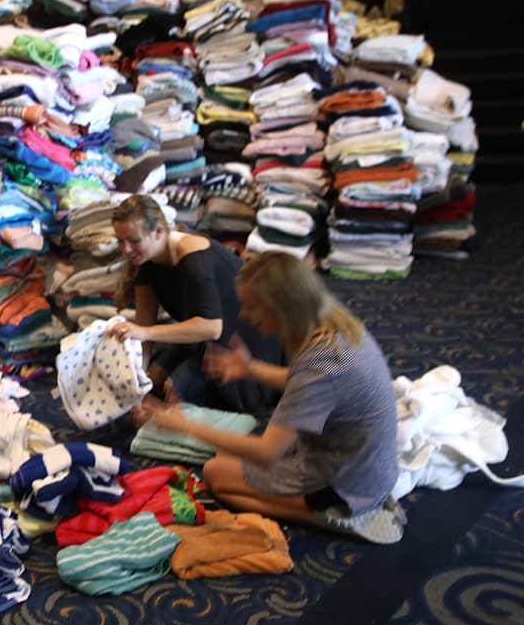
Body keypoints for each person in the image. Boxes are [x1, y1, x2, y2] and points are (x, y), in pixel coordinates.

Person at [142, 251, 405, 544]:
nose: (244, 315)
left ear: (282, 307)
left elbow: (267, 452)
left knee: (215, 473)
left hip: (344, 484)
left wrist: (187, 425)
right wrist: (250, 369)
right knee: (227, 453)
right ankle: (337, 506)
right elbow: (309, 389)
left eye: (252, 306)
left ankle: (328, 514)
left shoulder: (320, 361)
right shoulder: (336, 325)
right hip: (369, 469)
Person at [107, 193, 283, 417]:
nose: (126, 249)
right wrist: (139, 379)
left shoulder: (193, 259)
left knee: (174, 393)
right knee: (154, 379)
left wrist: (143, 332)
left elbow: (211, 327)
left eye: (134, 241)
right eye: (120, 241)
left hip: (245, 346)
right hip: (205, 342)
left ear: (159, 231)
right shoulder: (146, 262)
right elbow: (146, 333)